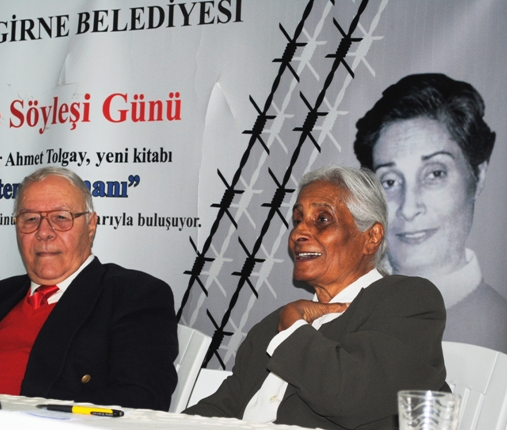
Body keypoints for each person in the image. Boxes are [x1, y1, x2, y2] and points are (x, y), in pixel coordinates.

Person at [184, 166, 448, 429]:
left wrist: (293, 327)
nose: (298, 233)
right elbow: (224, 407)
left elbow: (348, 396)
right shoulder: (271, 326)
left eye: (322, 219)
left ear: (371, 237)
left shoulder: (407, 300)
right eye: (298, 220)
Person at [0, 167, 178, 411]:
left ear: (91, 225)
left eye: (61, 218)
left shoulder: (132, 295)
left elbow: (142, 399)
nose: (43, 232)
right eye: (30, 219)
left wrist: (12, 412)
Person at [353, 73, 507, 358]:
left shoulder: (502, 331)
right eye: (390, 181)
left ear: (478, 176)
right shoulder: (352, 314)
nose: (408, 208)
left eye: (434, 174)